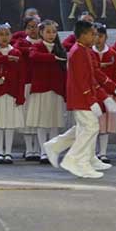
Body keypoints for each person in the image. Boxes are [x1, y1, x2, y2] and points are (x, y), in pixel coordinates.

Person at [43, 21, 116, 178]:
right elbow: (81, 80)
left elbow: (92, 77)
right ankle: (74, 160)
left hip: (84, 95)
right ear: (83, 35)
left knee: (83, 128)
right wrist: (91, 100)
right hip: (81, 96)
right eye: (92, 34)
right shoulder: (78, 52)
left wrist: (105, 95)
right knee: (91, 127)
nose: (95, 37)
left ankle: (59, 148)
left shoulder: (84, 50)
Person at [0, 23, 26, 164]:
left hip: (11, 93)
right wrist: (6, 58)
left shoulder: (16, 52)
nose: (4, 37)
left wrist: (20, 95)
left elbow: (21, 76)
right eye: (1, 34)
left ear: (11, 35)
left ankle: (8, 152)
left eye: (7, 34)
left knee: (9, 124)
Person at [26, 20, 67, 164]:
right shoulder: (36, 47)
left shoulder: (60, 49)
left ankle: (52, 151)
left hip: (56, 90)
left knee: (54, 122)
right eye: (48, 32)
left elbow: (64, 71)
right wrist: (52, 58)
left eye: (54, 32)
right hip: (41, 89)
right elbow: (33, 56)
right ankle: (43, 151)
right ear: (41, 33)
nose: (51, 35)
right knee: (42, 122)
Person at [92, 24, 116, 164]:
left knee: (105, 125)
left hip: (108, 94)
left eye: (101, 36)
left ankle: (103, 152)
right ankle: (92, 152)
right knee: (94, 125)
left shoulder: (112, 54)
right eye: (95, 36)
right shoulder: (88, 52)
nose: (98, 39)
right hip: (92, 94)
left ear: (106, 37)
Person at [14, 16, 42, 161]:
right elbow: (17, 51)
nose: (33, 30)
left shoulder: (44, 42)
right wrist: (31, 49)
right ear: (25, 29)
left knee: (37, 116)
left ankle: (37, 148)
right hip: (26, 83)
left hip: (40, 85)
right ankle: (29, 149)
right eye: (30, 27)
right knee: (26, 116)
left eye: (35, 26)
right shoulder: (21, 43)